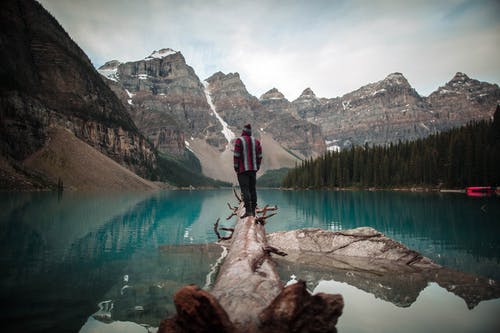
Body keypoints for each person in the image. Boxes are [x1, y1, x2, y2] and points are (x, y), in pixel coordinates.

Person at [233, 124, 262, 217]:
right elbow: (260, 156)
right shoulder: (256, 142)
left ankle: (248, 211)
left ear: (243, 131)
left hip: (242, 170)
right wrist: (257, 167)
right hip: (253, 170)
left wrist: (236, 167)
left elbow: (236, 155)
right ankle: (253, 210)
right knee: (252, 189)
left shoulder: (239, 140)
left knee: (245, 189)